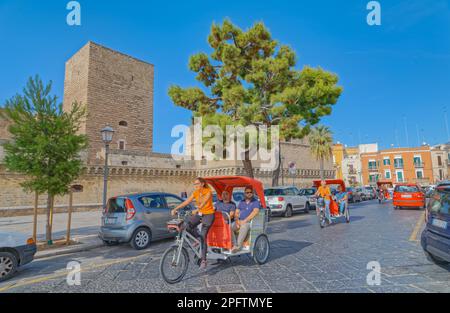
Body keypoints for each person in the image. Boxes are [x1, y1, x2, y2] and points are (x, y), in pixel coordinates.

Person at [171, 177, 215, 269]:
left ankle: (203, 260)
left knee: (203, 235)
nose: (195, 186)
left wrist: (197, 209)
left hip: (208, 215)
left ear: (202, 184)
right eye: (194, 184)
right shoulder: (195, 193)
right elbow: (187, 201)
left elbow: (204, 202)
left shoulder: (208, 191)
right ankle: (197, 239)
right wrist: (176, 208)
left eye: (197, 184)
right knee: (186, 225)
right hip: (200, 214)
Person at [232, 186, 260, 253]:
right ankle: (233, 243)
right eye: (247, 192)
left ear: (253, 193)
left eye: (251, 192)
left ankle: (238, 246)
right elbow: (237, 212)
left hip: (249, 222)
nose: (249, 193)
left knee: (244, 227)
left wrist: (245, 221)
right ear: (244, 193)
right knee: (229, 227)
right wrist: (237, 221)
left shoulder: (255, 202)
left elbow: (255, 212)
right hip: (240, 221)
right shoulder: (242, 202)